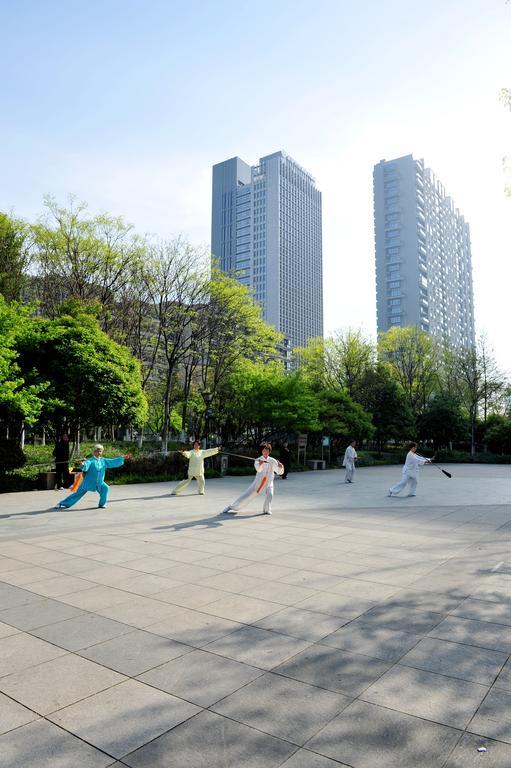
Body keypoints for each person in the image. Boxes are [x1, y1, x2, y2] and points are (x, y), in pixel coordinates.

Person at [55, 444, 125, 509]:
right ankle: (62, 503)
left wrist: (122, 458)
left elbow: (112, 462)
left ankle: (101, 504)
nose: (99, 452)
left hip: (99, 482)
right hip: (88, 482)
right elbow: (85, 466)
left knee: (105, 488)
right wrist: (83, 464)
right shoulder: (90, 460)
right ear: (94, 452)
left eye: (100, 451)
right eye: (97, 451)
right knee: (77, 494)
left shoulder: (103, 460)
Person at [222, 442, 284, 516]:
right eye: (264, 451)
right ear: (261, 451)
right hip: (258, 483)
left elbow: (279, 472)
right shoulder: (258, 460)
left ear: (269, 451)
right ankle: (231, 506)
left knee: (270, 494)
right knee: (246, 495)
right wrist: (260, 464)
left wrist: (280, 466)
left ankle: (267, 509)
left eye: (267, 451)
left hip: (269, 482)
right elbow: (258, 470)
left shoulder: (272, 460)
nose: (265, 452)